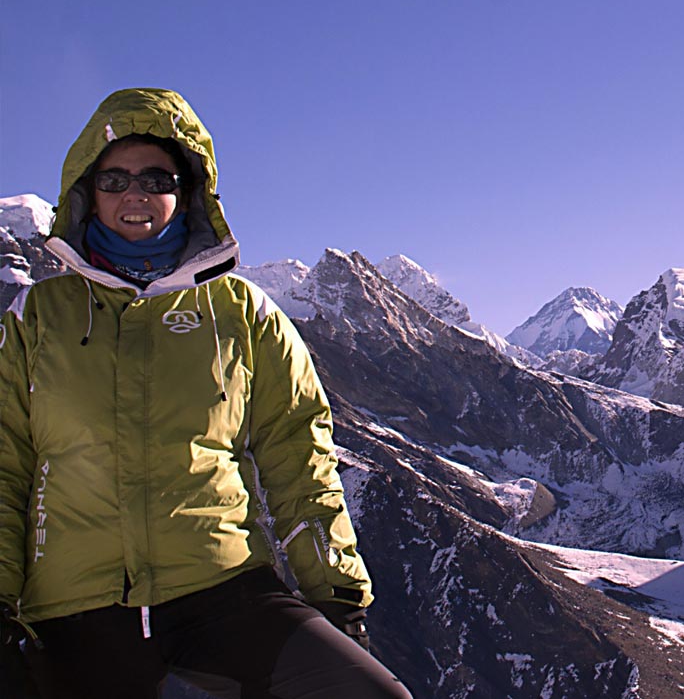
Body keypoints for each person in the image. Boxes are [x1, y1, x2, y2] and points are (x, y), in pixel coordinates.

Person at [0, 88, 412, 698]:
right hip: (73, 611)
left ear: (187, 189)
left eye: (156, 177)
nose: (135, 194)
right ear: (87, 192)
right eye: (114, 178)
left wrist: (338, 596)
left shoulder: (242, 313)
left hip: (224, 595)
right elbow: (6, 463)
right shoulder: (37, 316)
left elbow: (299, 459)